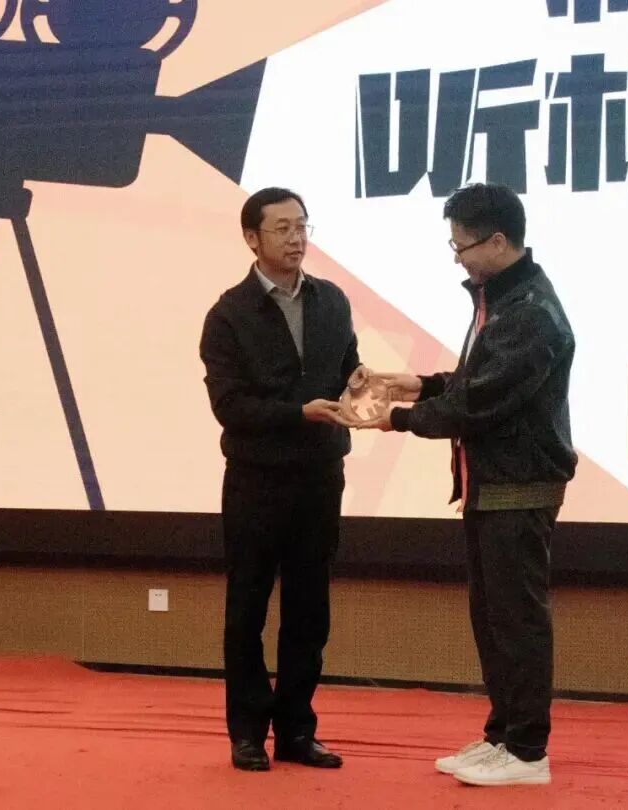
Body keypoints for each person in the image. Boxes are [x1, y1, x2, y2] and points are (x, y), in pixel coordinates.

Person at [360, 183, 577, 787]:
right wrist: (421, 385)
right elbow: (475, 381)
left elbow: (480, 403)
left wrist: (397, 417)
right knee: (493, 619)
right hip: (491, 484)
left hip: (519, 486)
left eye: (462, 246)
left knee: (517, 622)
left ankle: (527, 751)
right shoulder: (501, 300)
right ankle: (502, 735)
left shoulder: (529, 312)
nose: (457, 257)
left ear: (498, 241)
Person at [200, 187, 365, 772]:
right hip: (257, 481)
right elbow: (230, 406)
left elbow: (347, 368)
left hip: (320, 477)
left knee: (309, 611)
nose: (297, 239)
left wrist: (361, 384)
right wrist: (298, 412)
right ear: (253, 238)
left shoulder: (332, 300)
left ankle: (296, 730)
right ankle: (247, 732)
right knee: (247, 609)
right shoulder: (228, 314)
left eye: (302, 227)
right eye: (283, 229)